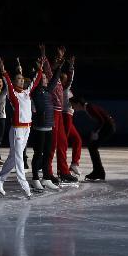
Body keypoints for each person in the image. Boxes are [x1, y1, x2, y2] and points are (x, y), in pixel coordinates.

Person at [0, 57, 42, 198]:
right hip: (17, 130)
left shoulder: (26, 93)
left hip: (27, 129)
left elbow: (36, 82)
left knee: (13, 158)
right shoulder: (13, 95)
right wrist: (3, 71)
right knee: (18, 158)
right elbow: (7, 82)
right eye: (18, 79)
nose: (21, 80)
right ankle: (25, 187)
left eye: (22, 79)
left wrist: (40, 69)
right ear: (14, 82)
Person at [29, 46, 62, 191]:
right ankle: (35, 178)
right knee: (38, 153)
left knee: (48, 153)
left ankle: (46, 178)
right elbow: (36, 79)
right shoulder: (34, 91)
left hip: (49, 126)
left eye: (44, 78)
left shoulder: (48, 90)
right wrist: (39, 71)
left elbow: (54, 80)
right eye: (42, 78)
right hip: (39, 127)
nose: (45, 79)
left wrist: (59, 68)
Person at [47, 46, 78, 184]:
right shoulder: (49, 76)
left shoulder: (60, 81)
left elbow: (69, 80)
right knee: (52, 144)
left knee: (63, 142)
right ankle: (48, 173)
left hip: (59, 113)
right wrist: (57, 61)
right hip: (52, 112)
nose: (59, 62)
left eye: (60, 60)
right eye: (57, 60)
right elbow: (49, 67)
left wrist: (70, 66)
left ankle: (63, 172)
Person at [70, 96, 114, 181]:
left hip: (108, 127)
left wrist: (95, 132)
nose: (73, 108)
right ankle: (98, 171)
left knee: (92, 147)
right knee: (92, 147)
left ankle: (99, 172)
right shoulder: (89, 107)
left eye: (73, 105)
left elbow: (102, 120)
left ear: (78, 104)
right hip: (107, 127)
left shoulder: (89, 108)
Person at [60, 56, 82, 176]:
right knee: (63, 143)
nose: (67, 81)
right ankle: (61, 169)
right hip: (65, 117)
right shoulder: (64, 89)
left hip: (69, 117)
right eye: (65, 79)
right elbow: (70, 80)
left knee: (77, 139)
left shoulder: (66, 90)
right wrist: (71, 67)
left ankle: (74, 164)